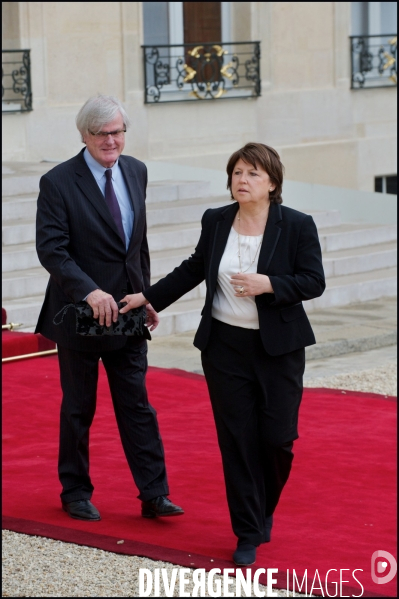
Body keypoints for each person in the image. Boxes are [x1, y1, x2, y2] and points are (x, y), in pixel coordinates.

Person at [119, 142, 325, 565]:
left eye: (252, 173)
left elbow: (313, 280)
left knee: (278, 440)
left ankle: (262, 507)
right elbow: (195, 267)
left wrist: (270, 284)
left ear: (272, 183)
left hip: (278, 351)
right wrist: (148, 296)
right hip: (224, 349)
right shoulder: (216, 221)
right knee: (238, 442)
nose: (242, 180)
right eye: (237, 173)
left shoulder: (297, 225)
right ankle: (248, 531)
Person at [35, 94, 183, 522]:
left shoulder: (137, 171)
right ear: (84, 134)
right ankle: (75, 491)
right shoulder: (58, 182)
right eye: (102, 134)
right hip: (79, 315)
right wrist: (89, 291)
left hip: (128, 311)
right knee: (79, 407)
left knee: (137, 406)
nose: (112, 141)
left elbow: (137, 245)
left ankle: (154, 494)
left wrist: (147, 296)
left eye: (118, 132)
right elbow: (52, 249)